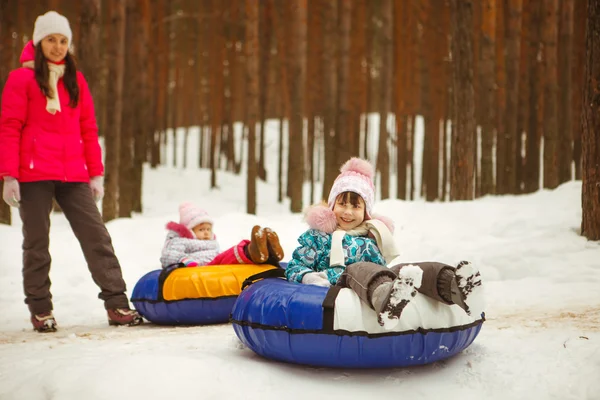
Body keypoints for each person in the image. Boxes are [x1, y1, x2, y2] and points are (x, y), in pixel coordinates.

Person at [0, 11, 142, 332]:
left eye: (63, 41)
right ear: (38, 42)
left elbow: (88, 128)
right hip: (33, 173)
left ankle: (117, 303)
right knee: (37, 243)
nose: (58, 46)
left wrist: (95, 173)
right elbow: (9, 127)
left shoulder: (75, 80)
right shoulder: (21, 79)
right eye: (51, 39)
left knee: (97, 237)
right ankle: (41, 310)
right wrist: (9, 175)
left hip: (73, 172)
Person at [285, 157, 484, 330]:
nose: (347, 212)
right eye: (342, 204)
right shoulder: (318, 237)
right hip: (341, 284)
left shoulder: (371, 238)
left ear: (366, 211)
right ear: (332, 205)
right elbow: (295, 266)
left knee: (404, 269)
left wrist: (393, 278)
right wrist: (310, 277)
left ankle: (454, 286)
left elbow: (382, 269)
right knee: (357, 269)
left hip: (373, 279)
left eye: (356, 206)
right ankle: (385, 300)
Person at [160, 202, 284, 269]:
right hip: (205, 267)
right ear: (190, 231)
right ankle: (251, 250)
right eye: (201, 229)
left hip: (215, 264)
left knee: (229, 257)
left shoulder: (212, 243)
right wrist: (184, 260)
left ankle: (268, 254)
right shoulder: (181, 241)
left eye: (208, 229)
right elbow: (168, 255)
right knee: (230, 255)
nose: (206, 232)